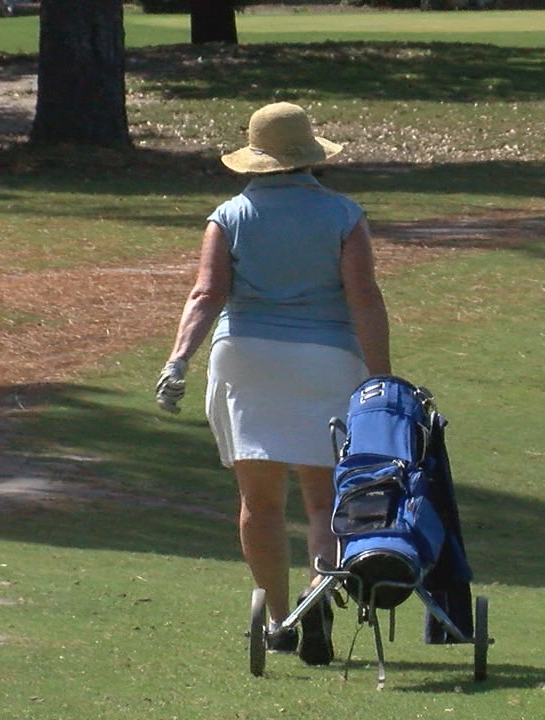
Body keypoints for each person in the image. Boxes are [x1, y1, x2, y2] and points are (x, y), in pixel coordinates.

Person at [154, 102, 391, 667]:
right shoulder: (342, 214)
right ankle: (316, 599)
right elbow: (363, 296)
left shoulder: (230, 214)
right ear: (309, 156)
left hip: (246, 358)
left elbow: (206, 294)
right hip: (325, 359)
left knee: (259, 504)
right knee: (322, 501)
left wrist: (178, 359)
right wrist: (382, 378)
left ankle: (279, 622)